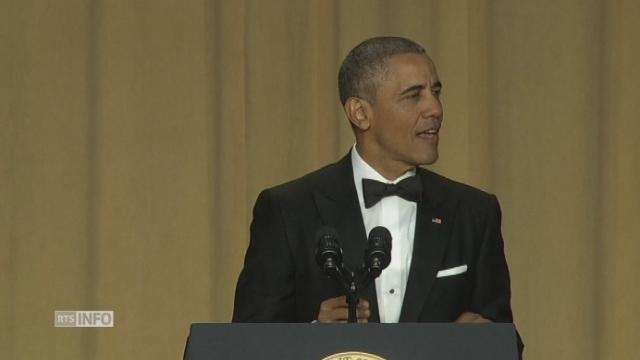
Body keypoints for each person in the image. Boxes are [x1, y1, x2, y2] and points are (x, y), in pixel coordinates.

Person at [232, 36, 522, 354]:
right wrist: (313, 335)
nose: (435, 109)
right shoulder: (288, 210)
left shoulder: (474, 212)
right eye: (414, 96)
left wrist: (482, 343)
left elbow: (505, 341)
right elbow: (245, 347)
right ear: (360, 113)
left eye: (436, 92)